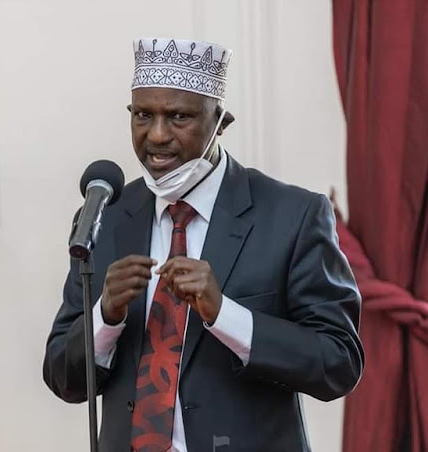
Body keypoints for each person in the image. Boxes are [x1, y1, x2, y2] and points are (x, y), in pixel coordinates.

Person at [43, 37, 364, 452]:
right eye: (143, 115)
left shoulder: (293, 215)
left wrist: (225, 315)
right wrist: (105, 316)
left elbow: (338, 363)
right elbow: (62, 378)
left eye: (178, 117)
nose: (156, 135)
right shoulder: (106, 216)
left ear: (221, 121)